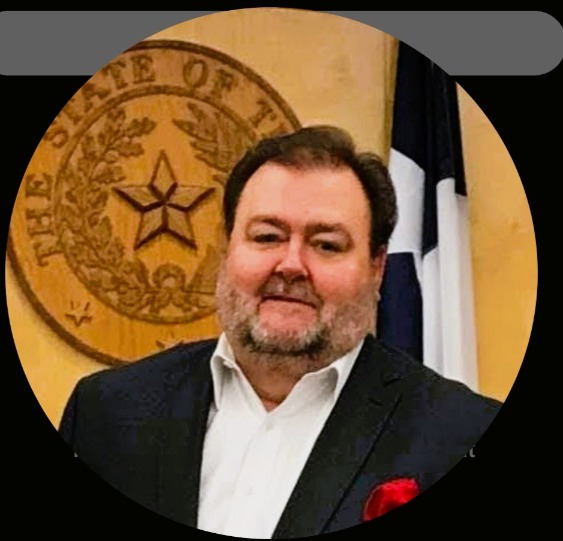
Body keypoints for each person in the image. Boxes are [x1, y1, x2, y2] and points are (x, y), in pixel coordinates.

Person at [59, 125, 502, 538]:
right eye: (267, 237)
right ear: (227, 249)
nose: (291, 265)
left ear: (377, 268)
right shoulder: (106, 414)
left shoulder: (460, 436)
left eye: (326, 245)